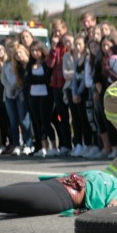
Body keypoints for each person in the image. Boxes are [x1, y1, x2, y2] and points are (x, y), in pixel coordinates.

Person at [45, 20, 72, 156]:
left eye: (59, 30)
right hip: (56, 84)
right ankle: (64, 144)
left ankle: (72, 143)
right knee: (61, 115)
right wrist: (53, 48)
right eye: (54, 31)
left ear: (65, 29)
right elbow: (50, 64)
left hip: (68, 84)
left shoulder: (68, 44)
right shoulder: (54, 46)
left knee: (72, 116)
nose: (57, 33)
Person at [2, 42, 34, 155]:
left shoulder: (24, 64)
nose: (12, 52)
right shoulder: (6, 64)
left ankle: (28, 143)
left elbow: (20, 80)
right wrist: (9, 88)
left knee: (24, 120)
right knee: (13, 121)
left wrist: (14, 87)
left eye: (15, 51)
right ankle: (16, 144)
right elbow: (3, 79)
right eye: (9, 49)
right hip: (9, 94)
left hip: (20, 94)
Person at [25, 40, 55, 157]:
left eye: (36, 50)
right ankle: (44, 147)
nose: (34, 53)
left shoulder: (46, 62)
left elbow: (46, 78)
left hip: (45, 95)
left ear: (41, 50)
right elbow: (28, 80)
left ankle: (54, 146)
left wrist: (36, 79)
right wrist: (38, 79)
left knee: (45, 121)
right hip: (33, 95)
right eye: (32, 50)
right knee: (37, 122)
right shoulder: (30, 64)